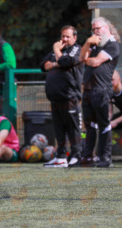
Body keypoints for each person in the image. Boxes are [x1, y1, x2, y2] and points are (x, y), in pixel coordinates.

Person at [40, 25, 83, 168]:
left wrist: (57, 51)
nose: (64, 39)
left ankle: (77, 155)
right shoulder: (58, 51)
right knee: (59, 129)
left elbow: (66, 62)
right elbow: (43, 65)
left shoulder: (77, 49)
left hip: (70, 97)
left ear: (74, 38)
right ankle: (61, 156)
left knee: (73, 128)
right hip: (55, 98)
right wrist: (57, 61)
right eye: (62, 36)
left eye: (68, 36)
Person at [79, 17, 121, 168]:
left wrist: (86, 59)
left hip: (101, 90)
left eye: (98, 28)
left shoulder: (112, 44)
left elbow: (95, 61)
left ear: (107, 27)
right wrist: (87, 43)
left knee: (103, 124)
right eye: (93, 29)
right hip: (88, 90)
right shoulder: (94, 43)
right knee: (89, 125)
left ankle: (105, 158)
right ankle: (87, 156)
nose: (95, 31)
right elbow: (81, 56)